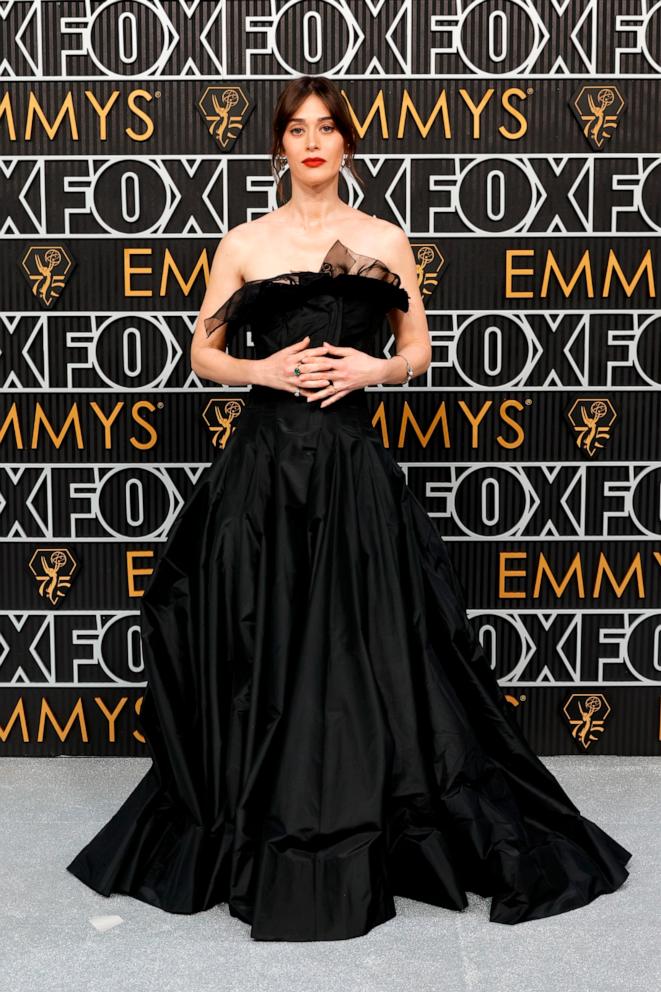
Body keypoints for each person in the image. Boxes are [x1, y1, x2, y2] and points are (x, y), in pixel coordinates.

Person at [66, 75, 631, 942]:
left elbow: (419, 349)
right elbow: (201, 354)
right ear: (279, 147)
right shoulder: (244, 242)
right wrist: (264, 370)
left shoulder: (384, 239)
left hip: (352, 471)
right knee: (263, 638)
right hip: (261, 476)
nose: (312, 142)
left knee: (366, 644)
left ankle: (367, 803)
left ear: (347, 143)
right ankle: (256, 804)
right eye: (297, 130)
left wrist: (370, 371)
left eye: (327, 128)